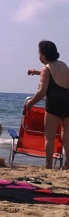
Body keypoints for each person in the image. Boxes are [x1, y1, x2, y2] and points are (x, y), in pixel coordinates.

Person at [26, 40, 69, 169]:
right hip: (67, 102)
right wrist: (37, 72)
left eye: (39, 53)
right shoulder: (64, 65)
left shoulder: (46, 69)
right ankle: (68, 164)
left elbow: (41, 92)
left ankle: (49, 166)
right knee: (67, 136)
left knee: (49, 137)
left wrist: (30, 103)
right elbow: (57, 75)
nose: (39, 56)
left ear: (44, 55)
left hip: (54, 105)